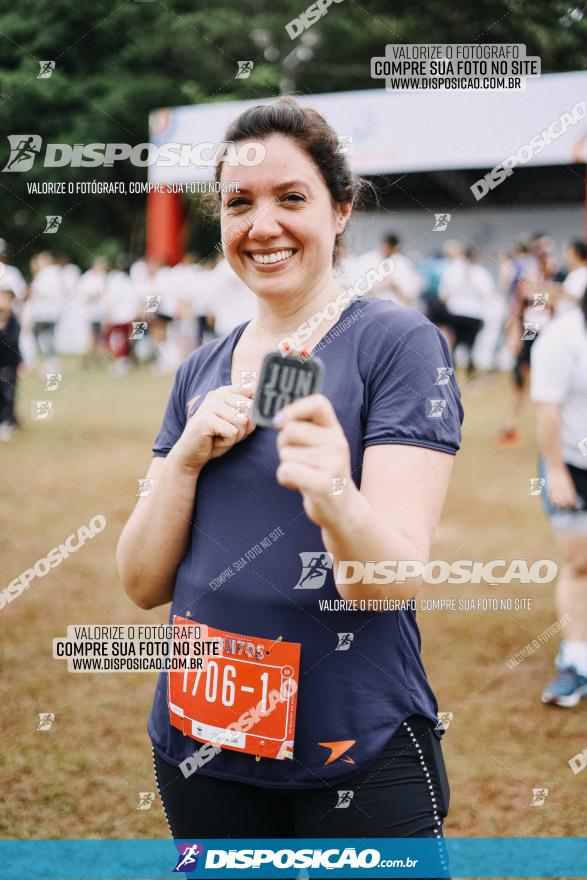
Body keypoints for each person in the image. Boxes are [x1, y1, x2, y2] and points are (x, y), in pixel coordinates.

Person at [117, 98, 463, 848]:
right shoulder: (201, 368)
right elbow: (142, 583)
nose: (261, 224)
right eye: (239, 202)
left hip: (353, 738)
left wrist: (334, 493)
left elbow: (389, 581)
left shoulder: (396, 345)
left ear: (340, 210)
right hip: (200, 736)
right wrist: (183, 460)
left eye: (291, 198)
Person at [531, 283, 587, 706]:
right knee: (580, 564)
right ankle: (577, 661)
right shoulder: (562, 337)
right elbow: (547, 407)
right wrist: (555, 470)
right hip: (572, 464)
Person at [0, 289, 22, 441]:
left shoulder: (13, 321)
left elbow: (14, 343)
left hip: (9, 364)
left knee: (8, 394)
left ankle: (7, 422)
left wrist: (21, 362)